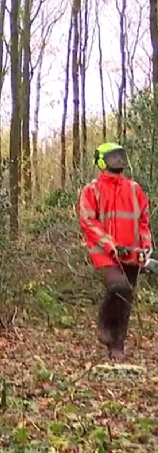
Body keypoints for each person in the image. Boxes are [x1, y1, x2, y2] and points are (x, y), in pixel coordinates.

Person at [77, 142, 152, 361]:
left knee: (126, 299)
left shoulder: (134, 189)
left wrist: (145, 247)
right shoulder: (92, 190)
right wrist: (111, 245)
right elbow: (88, 221)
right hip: (105, 252)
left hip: (132, 252)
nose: (118, 160)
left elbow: (144, 221)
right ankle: (105, 327)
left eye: (120, 156)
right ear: (101, 161)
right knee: (119, 287)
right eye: (112, 156)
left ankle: (117, 345)